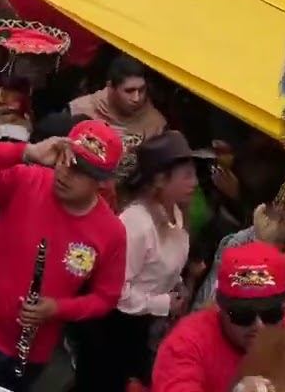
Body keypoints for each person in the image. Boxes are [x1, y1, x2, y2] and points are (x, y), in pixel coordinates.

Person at [0, 121, 129, 390]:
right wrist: (25, 152)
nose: (65, 172)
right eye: (66, 159)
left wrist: (58, 309)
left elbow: (106, 297)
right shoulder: (27, 181)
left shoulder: (112, 232)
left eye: (80, 171)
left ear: (101, 181)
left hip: (30, 353)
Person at [70, 131, 213, 391]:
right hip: (113, 331)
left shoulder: (177, 213)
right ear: (160, 180)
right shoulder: (136, 224)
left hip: (144, 327)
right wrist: (163, 303)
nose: (194, 183)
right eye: (187, 175)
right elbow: (114, 290)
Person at [152, 241, 285, 392]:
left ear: (284, 306)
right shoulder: (186, 344)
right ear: (220, 307)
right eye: (244, 315)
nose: (259, 326)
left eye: (270, 314)